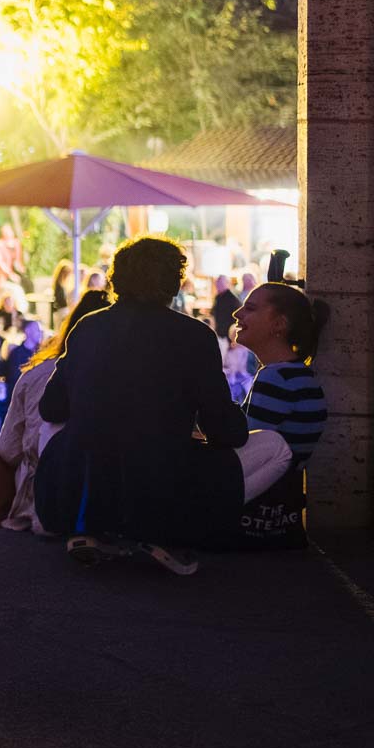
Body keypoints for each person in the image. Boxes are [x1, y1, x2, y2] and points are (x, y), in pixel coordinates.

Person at [38, 237, 249, 575]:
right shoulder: (194, 336)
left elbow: (51, 408)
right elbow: (224, 429)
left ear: (116, 278)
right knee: (253, 451)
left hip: (76, 483)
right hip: (160, 485)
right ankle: (164, 534)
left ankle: (95, 529)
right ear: (174, 283)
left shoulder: (87, 327)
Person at [0, 293, 108, 533]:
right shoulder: (124, 380)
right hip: (102, 512)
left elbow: (8, 449)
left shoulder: (35, 375)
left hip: (36, 504)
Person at [227, 281, 331, 546]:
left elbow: (245, 448)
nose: (237, 314)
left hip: (259, 505)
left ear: (279, 325)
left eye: (250, 308)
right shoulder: (298, 375)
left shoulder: (275, 377)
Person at [1, 319, 44, 391]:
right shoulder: (17, 354)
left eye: (41, 331)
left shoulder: (41, 353)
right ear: (27, 331)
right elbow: (14, 379)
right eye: (37, 330)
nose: (40, 333)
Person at [210, 274, 242, 342]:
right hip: (219, 331)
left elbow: (237, 316)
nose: (218, 285)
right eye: (217, 284)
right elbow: (214, 311)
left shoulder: (232, 298)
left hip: (229, 333)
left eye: (220, 283)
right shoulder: (218, 297)